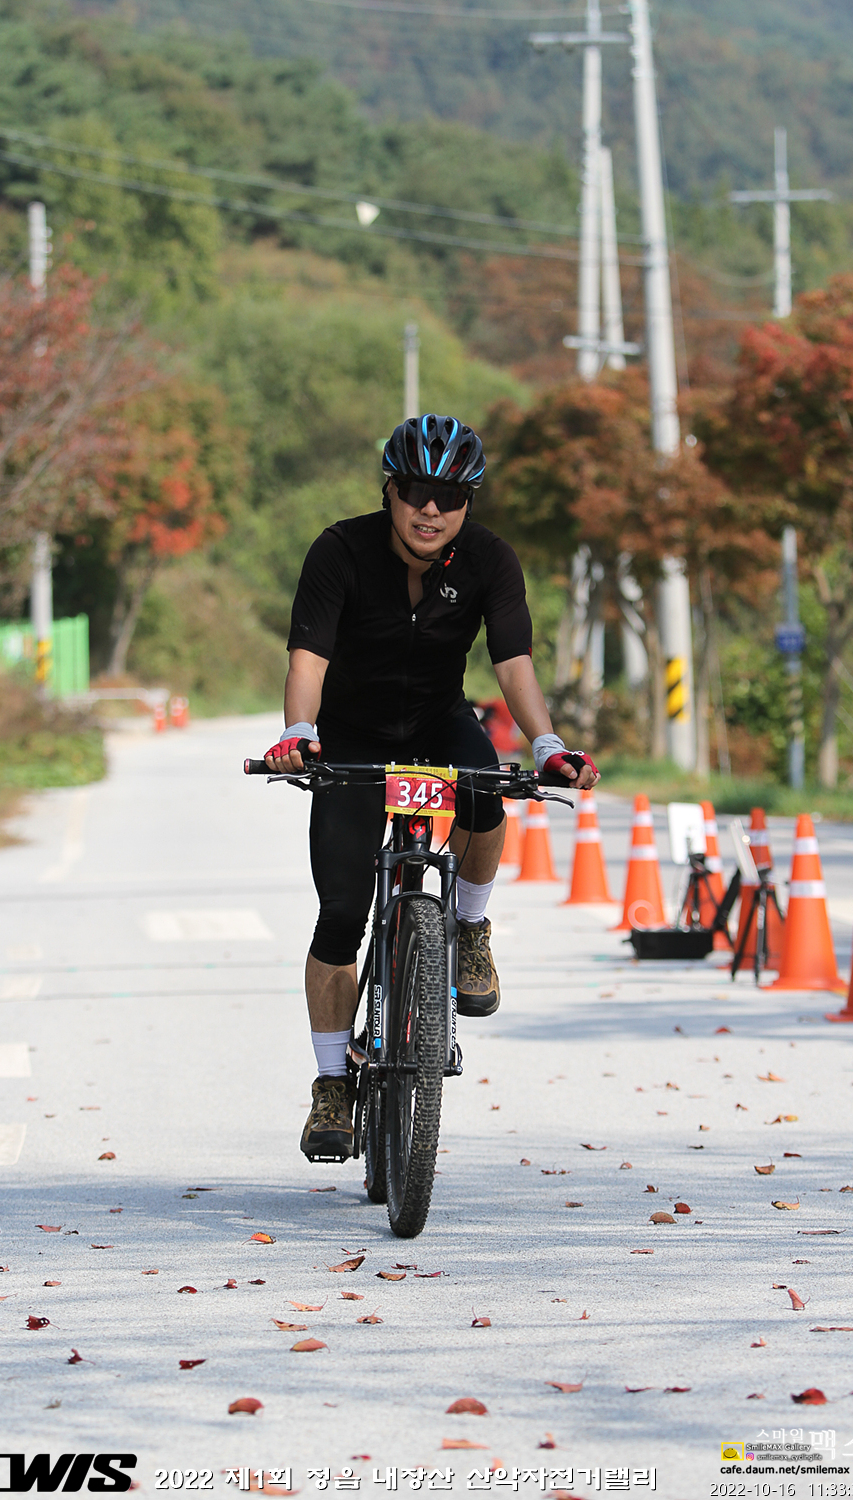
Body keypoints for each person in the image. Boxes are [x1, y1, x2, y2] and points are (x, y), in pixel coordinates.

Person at [263, 413, 599, 1162]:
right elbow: (309, 656)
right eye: (416, 491)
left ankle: (470, 929)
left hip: (438, 723)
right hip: (350, 735)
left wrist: (547, 745)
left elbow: (512, 661)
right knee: (342, 912)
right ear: (390, 491)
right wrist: (298, 732)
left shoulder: (490, 560)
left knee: (486, 794)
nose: (431, 510)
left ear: (468, 503)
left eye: (450, 497)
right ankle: (332, 1085)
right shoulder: (339, 550)